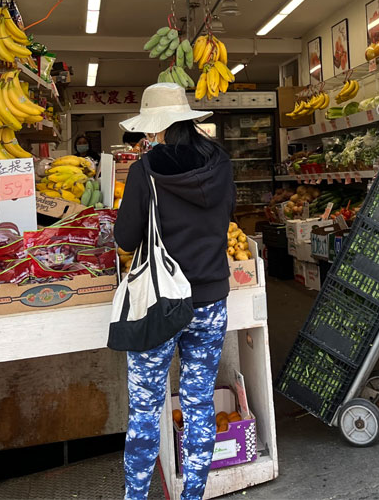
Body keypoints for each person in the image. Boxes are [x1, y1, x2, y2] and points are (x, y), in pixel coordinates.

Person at [114, 82, 237, 500]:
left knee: (146, 410)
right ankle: (193, 494)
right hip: (212, 301)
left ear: (156, 126)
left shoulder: (145, 172)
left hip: (160, 306)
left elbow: (126, 237)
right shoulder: (221, 164)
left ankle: (136, 496)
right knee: (199, 402)